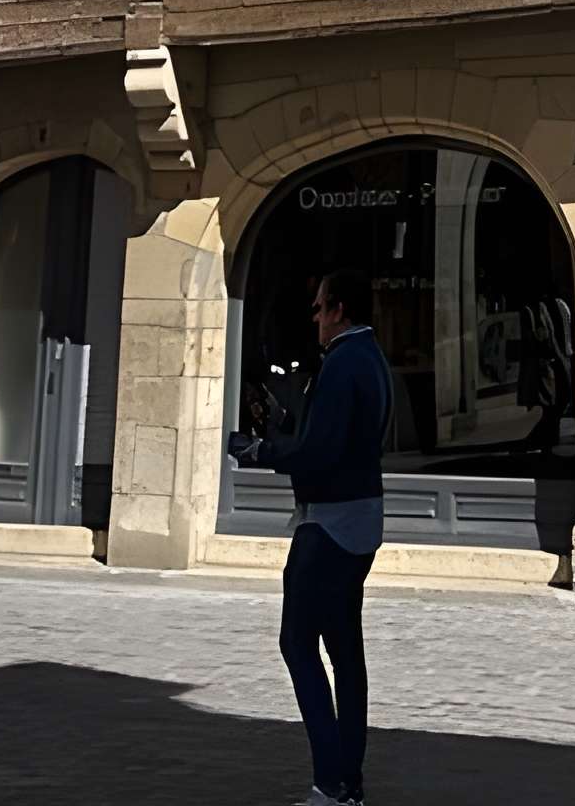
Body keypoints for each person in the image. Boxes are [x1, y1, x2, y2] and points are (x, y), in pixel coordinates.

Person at [229, 270, 393, 806]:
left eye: (320, 307)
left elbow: (320, 451)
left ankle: (331, 781)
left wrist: (261, 452)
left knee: (297, 643)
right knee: (346, 651)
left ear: (340, 309)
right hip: (361, 516)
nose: (315, 317)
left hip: (329, 522)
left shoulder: (344, 361)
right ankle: (349, 780)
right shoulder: (371, 357)